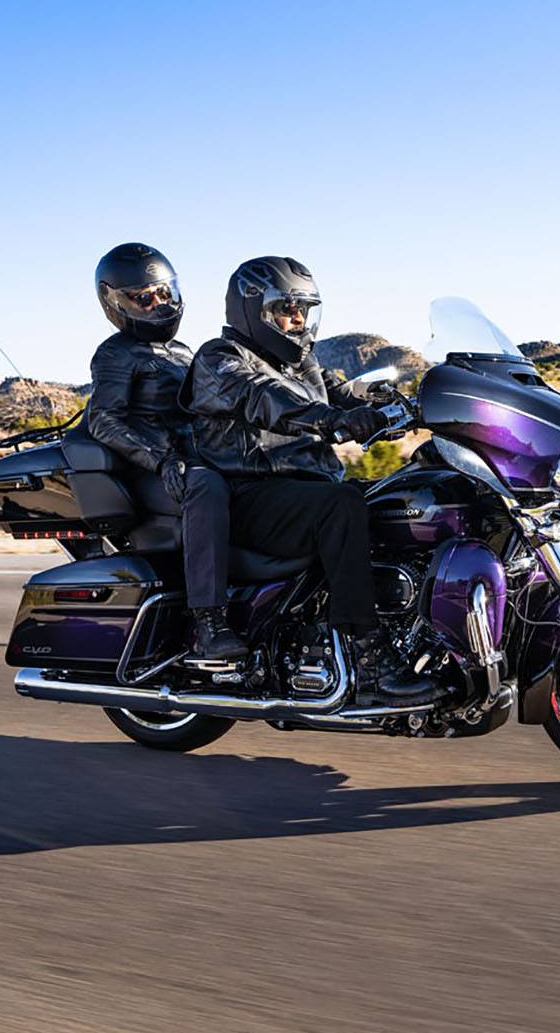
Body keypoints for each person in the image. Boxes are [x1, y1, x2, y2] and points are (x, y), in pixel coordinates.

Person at [181, 256, 437, 706]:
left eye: (304, 309)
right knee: (342, 505)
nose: (298, 319)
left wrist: (408, 401)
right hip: (249, 494)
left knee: (404, 499)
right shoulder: (219, 360)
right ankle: (369, 662)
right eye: (287, 308)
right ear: (251, 310)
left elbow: (342, 393)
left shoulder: (302, 364)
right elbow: (266, 397)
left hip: (299, 493)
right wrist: (333, 419)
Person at [85, 242, 247, 663]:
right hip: (152, 471)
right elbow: (105, 420)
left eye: (164, 293)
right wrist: (160, 459)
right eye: (143, 297)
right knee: (207, 487)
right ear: (115, 302)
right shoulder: (115, 354)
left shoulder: (181, 352)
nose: (158, 304)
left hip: (193, 460)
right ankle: (209, 621)